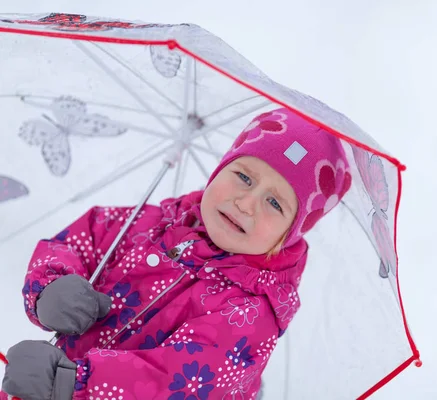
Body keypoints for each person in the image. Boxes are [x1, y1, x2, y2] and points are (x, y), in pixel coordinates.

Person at [1, 107, 353, 400]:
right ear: (220, 169)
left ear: (290, 233)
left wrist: (71, 383)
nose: (246, 203)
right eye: (243, 177)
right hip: (41, 379)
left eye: (274, 202)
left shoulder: (249, 315)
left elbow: (173, 382)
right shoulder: (149, 223)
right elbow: (79, 242)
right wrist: (51, 288)